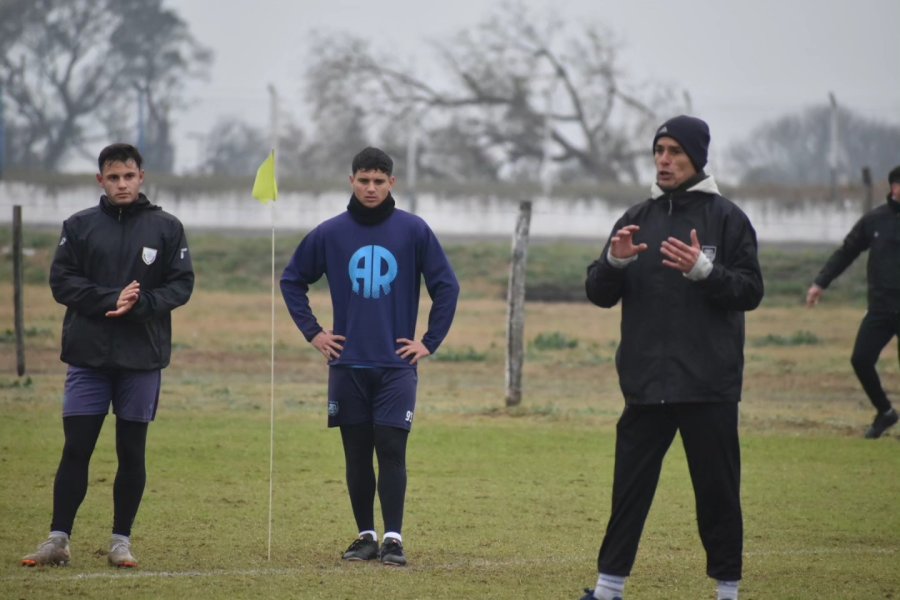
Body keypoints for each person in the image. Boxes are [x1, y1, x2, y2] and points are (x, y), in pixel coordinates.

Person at [579, 116, 764, 600]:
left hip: (708, 386)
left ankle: (728, 591)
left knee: (717, 494)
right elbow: (598, 292)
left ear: (697, 158)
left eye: (675, 151)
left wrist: (706, 271)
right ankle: (607, 590)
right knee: (628, 494)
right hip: (645, 385)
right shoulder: (636, 217)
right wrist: (614, 263)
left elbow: (750, 291)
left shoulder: (728, 218)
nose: (664, 159)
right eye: (659, 150)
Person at [280, 147, 459, 567]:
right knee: (356, 453)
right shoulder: (329, 233)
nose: (371, 188)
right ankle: (365, 536)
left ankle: (393, 539)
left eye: (379, 181)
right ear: (352, 181)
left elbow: (447, 286)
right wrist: (315, 333)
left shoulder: (414, 231)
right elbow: (292, 281)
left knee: (391, 449)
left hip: (397, 366)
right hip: (347, 366)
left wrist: (428, 342)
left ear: (392, 183)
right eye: (364, 180)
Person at [21, 143, 194, 568]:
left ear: (141, 177)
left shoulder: (167, 227)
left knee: (131, 452)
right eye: (113, 177)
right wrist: (109, 298)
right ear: (101, 180)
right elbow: (62, 283)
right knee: (75, 449)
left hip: (142, 359)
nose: (122, 183)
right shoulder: (78, 226)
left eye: (129, 176)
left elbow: (181, 285)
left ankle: (121, 542)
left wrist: (143, 304)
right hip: (88, 357)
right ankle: (57, 540)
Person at [805, 165, 900, 439]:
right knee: (860, 360)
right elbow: (846, 252)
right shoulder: (875, 220)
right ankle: (885, 412)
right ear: (894, 188)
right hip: (881, 308)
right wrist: (820, 283)